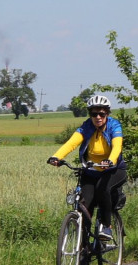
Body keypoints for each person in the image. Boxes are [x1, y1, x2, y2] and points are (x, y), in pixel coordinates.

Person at [49, 95, 127, 241]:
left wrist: (110, 160)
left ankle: (106, 227)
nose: (98, 117)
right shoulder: (87, 127)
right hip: (91, 171)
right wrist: (57, 156)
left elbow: (117, 147)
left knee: (103, 189)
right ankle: (84, 250)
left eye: (101, 114)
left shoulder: (114, 126)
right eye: (94, 114)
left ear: (107, 114)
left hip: (114, 170)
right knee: (85, 205)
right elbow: (72, 143)